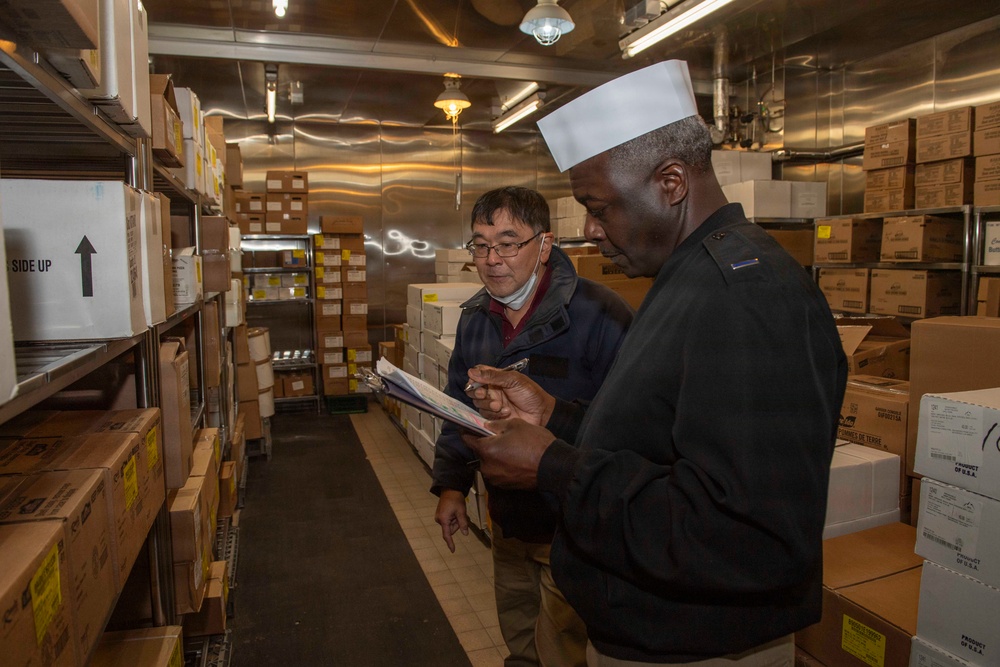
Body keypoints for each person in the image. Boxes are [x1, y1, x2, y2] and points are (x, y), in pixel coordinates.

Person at [461, 61, 848, 666]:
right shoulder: (686, 278)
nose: (590, 230)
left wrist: (553, 466)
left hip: (700, 649)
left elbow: (747, 537)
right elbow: (663, 441)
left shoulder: (746, 297)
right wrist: (555, 417)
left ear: (671, 182)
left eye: (598, 206)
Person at [431, 186, 634, 667]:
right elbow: (459, 406)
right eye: (481, 245)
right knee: (520, 638)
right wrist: (453, 485)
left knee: (563, 650)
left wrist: (552, 417)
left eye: (508, 243)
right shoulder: (477, 319)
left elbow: (629, 429)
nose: (491, 259)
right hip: (508, 521)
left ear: (544, 245)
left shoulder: (600, 315)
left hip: (572, 528)